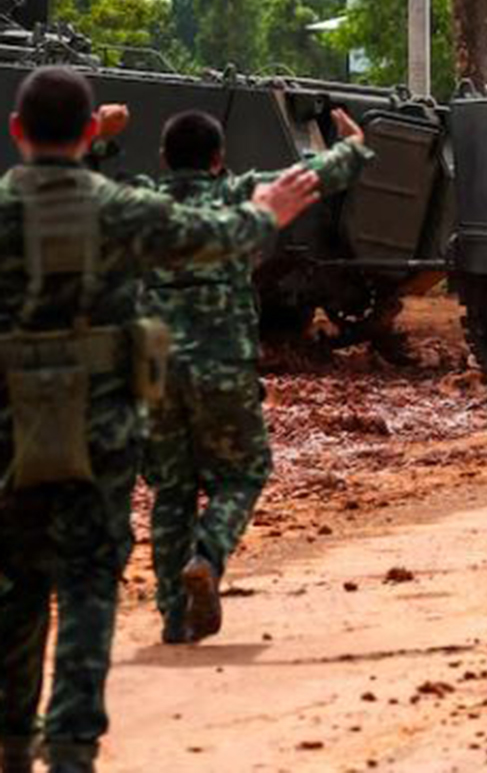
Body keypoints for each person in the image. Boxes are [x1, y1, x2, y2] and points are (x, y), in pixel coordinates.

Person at [0, 68, 321, 773]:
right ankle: (73, 751)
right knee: (87, 584)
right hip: (100, 430)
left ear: (18, 132)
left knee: (16, 588)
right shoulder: (117, 210)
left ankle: (11, 744)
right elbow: (210, 234)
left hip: (9, 434)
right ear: (89, 133)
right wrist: (267, 210)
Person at [141, 108, 374, 645]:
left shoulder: (143, 206)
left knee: (171, 492)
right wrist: (353, 147)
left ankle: (175, 617)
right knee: (242, 474)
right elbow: (313, 178)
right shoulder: (237, 195)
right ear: (219, 160)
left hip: (154, 373)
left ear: (163, 160)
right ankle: (208, 555)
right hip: (222, 365)